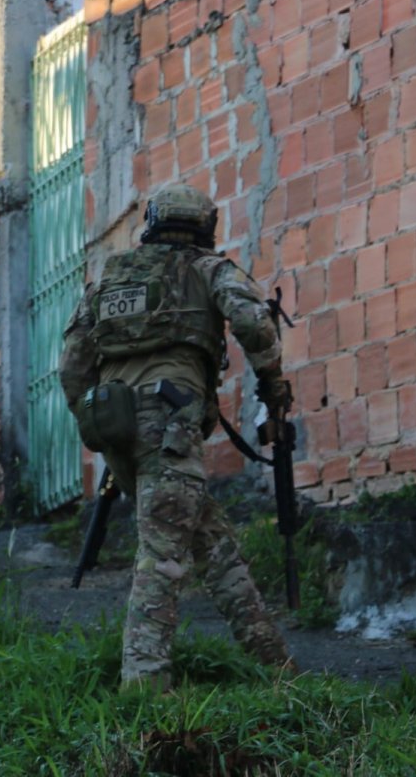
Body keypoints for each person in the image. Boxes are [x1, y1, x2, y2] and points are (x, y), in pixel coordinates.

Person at [58, 183, 294, 691]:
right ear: (204, 228)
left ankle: (280, 671)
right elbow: (255, 322)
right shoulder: (207, 269)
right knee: (162, 560)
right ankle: (143, 693)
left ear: (152, 222)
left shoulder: (111, 278)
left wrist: (92, 415)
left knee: (211, 544)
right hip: (169, 422)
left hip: (115, 423)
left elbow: (72, 363)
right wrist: (273, 387)